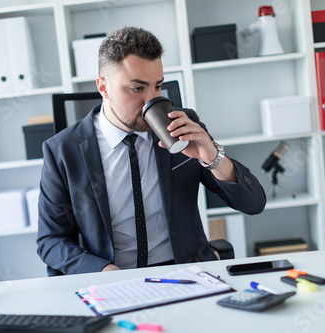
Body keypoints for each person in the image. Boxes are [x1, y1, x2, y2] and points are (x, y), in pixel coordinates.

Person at [37, 26, 266, 276]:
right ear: (103, 87)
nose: (151, 99)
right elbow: (51, 241)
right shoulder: (62, 150)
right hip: (112, 277)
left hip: (184, 272)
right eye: (137, 88)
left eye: (157, 86)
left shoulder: (181, 127)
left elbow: (253, 204)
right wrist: (102, 270)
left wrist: (212, 156)